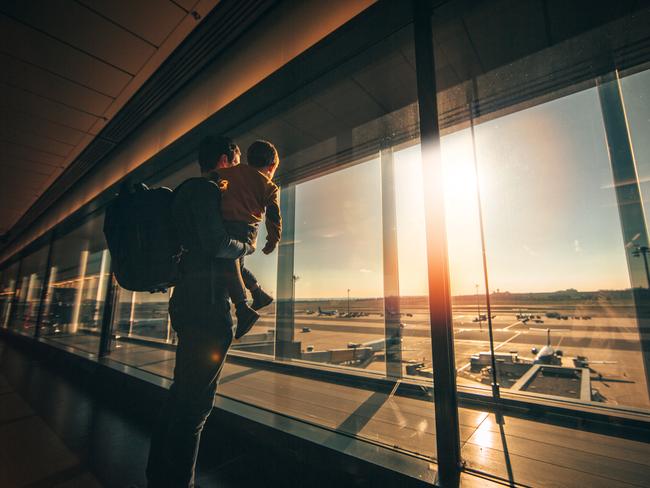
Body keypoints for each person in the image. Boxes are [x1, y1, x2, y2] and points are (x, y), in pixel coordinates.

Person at [146, 135, 252, 488]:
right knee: (195, 408)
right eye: (235, 164)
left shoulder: (184, 194)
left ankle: (158, 479)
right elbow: (218, 244)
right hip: (207, 309)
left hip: (187, 303)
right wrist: (246, 245)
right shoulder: (207, 191)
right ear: (224, 160)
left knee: (180, 398)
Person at [218, 140, 281, 340]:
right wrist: (273, 240)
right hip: (247, 230)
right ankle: (257, 296)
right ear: (271, 167)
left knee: (231, 263)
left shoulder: (232, 172)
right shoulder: (269, 186)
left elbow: (214, 180)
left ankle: (244, 307)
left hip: (229, 224)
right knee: (235, 265)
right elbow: (273, 216)